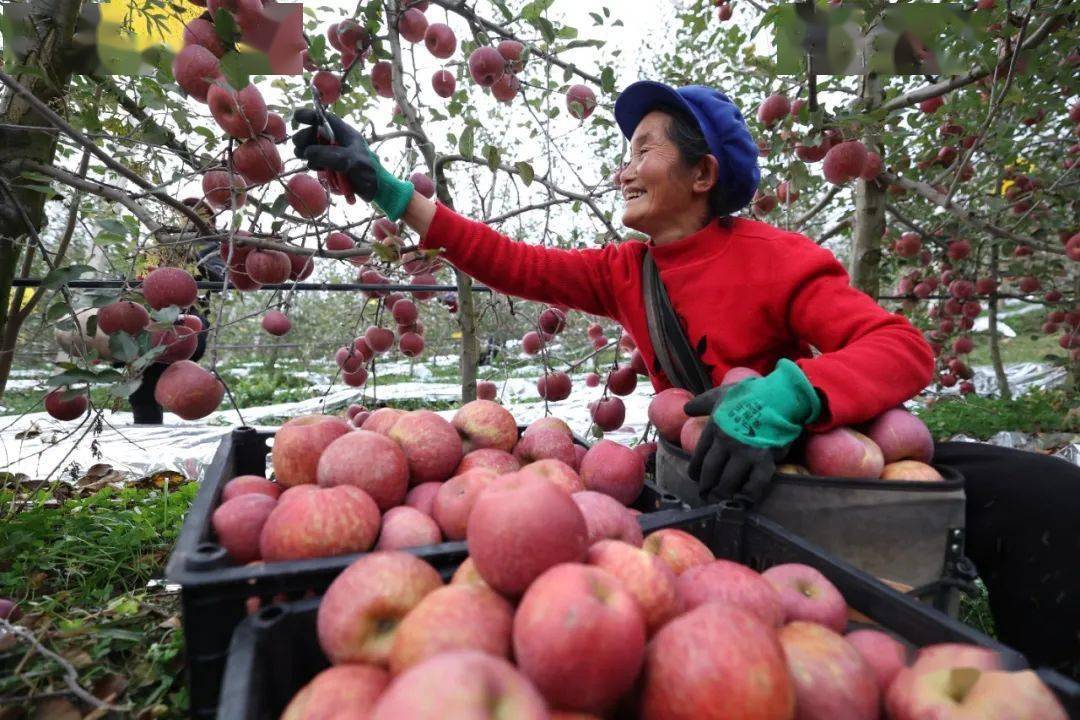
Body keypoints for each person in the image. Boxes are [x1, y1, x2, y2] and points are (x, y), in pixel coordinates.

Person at [290, 81, 1079, 673]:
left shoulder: (777, 259)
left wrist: (792, 392)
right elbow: (509, 261)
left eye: (643, 150)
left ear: (701, 176)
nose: (622, 167)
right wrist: (386, 188)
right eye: (624, 150)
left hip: (807, 464)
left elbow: (902, 347)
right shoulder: (622, 271)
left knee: (1048, 499)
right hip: (704, 472)